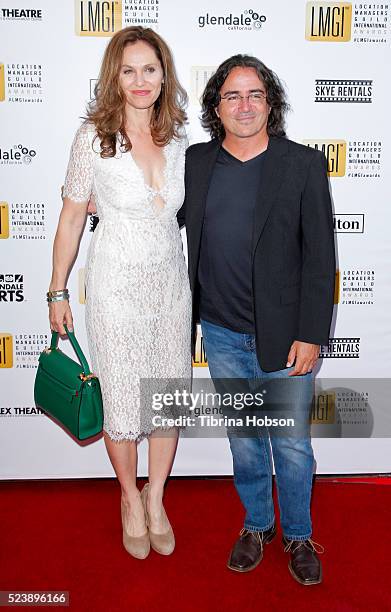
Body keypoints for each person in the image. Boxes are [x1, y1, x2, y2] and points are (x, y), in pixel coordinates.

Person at [178, 55, 335, 585]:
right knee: (244, 440)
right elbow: (156, 216)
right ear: (216, 107)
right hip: (220, 333)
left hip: (287, 336)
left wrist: (312, 333)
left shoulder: (302, 164)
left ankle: (297, 534)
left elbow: (320, 258)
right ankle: (257, 525)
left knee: (291, 443)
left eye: (255, 95)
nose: (244, 106)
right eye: (232, 96)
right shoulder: (196, 164)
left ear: (271, 103)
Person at [48, 26, 191, 560]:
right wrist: (56, 290)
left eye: (149, 69)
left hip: (170, 288)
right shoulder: (93, 138)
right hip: (115, 286)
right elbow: (69, 219)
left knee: (165, 398)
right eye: (128, 70)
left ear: (163, 74)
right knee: (124, 400)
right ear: (115, 75)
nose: (140, 80)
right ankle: (129, 497)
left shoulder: (178, 138)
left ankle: (158, 498)